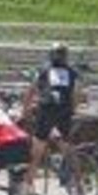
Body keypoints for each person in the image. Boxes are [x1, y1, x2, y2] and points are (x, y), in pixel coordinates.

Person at [24, 42, 79, 187]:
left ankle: (28, 184)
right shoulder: (71, 72)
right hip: (65, 111)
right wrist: (73, 109)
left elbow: (30, 91)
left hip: (47, 110)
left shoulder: (43, 70)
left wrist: (26, 110)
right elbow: (76, 94)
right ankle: (79, 181)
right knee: (66, 145)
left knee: (37, 150)